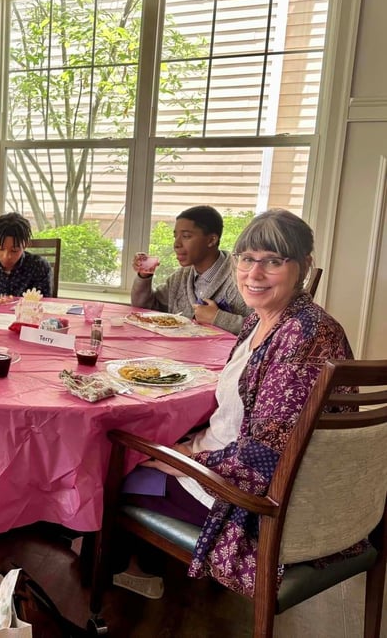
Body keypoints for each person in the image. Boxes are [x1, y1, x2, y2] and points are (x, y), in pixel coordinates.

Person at [113, 209, 354, 600]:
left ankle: (118, 580)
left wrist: (183, 458)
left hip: (250, 500)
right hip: (228, 464)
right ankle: (149, 565)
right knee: (140, 453)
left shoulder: (305, 336)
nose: (254, 274)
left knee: (113, 475)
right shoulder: (263, 320)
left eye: (273, 261)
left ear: (304, 265)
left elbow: (262, 458)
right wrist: (185, 448)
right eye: (247, 259)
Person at [130, 205, 250, 335]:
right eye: (175, 236)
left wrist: (218, 318)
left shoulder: (243, 277)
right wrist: (144, 276)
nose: (176, 244)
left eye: (186, 236)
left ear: (211, 240)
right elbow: (145, 309)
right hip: (178, 352)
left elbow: (266, 330)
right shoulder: (180, 277)